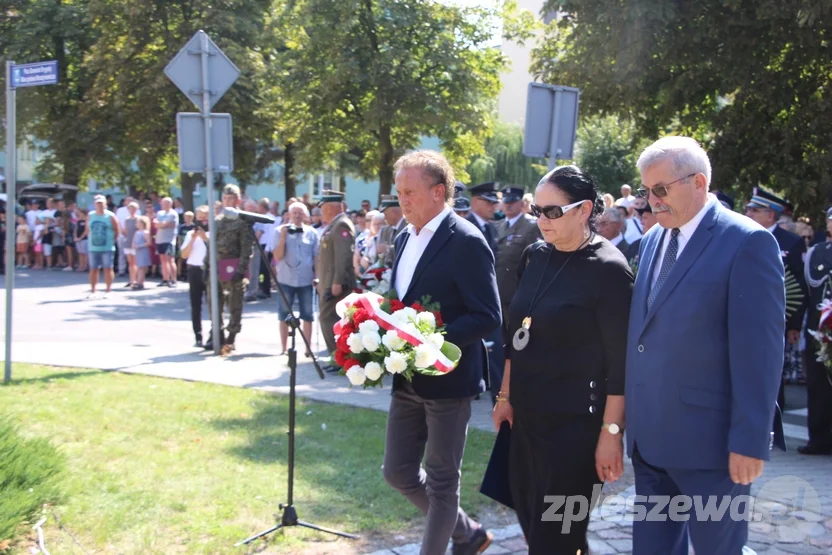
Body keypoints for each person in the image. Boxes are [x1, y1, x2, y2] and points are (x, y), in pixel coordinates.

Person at [625, 136, 784, 554]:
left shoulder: (747, 241)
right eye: (646, 191)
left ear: (697, 182)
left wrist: (750, 441)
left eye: (661, 189)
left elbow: (760, 353)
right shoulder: (653, 240)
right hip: (651, 442)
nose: (651, 201)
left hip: (712, 448)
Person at [492, 166, 632, 553]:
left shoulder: (609, 270)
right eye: (537, 210)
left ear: (584, 209)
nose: (541, 220)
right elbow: (515, 334)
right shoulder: (535, 255)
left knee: (553, 540)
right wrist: (505, 396)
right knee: (542, 530)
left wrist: (611, 434)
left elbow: (619, 365)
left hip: (575, 432)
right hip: (526, 421)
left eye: (552, 211)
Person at [382, 150, 501, 555]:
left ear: (438, 192)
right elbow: (400, 303)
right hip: (407, 378)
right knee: (397, 472)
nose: (403, 200)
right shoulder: (403, 236)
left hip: (450, 380)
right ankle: (467, 532)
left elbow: (487, 316)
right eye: (399, 192)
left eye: (410, 191)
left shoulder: (466, 240)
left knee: (441, 480)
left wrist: (430, 339)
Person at [744, 187, 808, 412]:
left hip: (775, 319)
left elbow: (799, 287)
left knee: (772, 367)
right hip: (744, 315)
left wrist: (794, 324)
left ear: (770, 214)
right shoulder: (741, 236)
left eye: (754, 210)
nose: (749, 214)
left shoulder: (791, 242)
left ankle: (773, 412)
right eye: (748, 209)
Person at [798, 208, 832, 455]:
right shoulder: (816, 252)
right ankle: (818, 438)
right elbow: (807, 294)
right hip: (819, 330)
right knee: (818, 386)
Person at [204, 184, 253, 352]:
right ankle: (216, 334)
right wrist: (206, 266)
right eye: (225, 198)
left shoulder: (242, 221)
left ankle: (230, 338)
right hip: (216, 269)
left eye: (231, 198)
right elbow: (210, 245)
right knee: (214, 304)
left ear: (238, 200)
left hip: (233, 270)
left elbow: (247, 249)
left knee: (234, 306)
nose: (228, 201)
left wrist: (240, 270)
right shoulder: (217, 220)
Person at [315, 190, 355, 370]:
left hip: (336, 284)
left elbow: (343, 256)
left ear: (331, 207)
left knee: (328, 319)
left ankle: (338, 358)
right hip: (328, 283)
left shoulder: (341, 225)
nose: (321, 211)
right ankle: (336, 358)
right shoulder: (334, 224)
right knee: (329, 320)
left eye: (323, 207)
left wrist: (337, 281)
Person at [273, 201, 319, 355]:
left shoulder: (312, 233)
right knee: (284, 314)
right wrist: (283, 237)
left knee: (308, 315)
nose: (297, 216)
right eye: (294, 213)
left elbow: (316, 257)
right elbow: (277, 256)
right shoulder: (279, 231)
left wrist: (317, 276)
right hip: (285, 279)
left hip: (306, 279)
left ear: (305, 215)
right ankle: (284, 348)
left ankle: (308, 348)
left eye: (300, 213)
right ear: (289, 215)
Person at [180, 206, 210, 346]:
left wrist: (204, 238)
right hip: (194, 271)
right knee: (195, 305)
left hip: (209, 271)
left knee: (213, 305)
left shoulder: (213, 233)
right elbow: (184, 255)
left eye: (205, 218)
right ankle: (198, 335)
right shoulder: (190, 234)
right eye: (199, 218)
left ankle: (214, 335)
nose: (202, 221)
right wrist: (192, 240)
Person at [87, 194, 120, 297]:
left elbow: (117, 230)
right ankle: (93, 291)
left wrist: (112, 241)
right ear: (94, 204)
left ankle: (108, 290)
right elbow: (87, 229)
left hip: (107, 247)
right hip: (93, 247)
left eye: (101, 203)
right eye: (98, 203)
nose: (100, 205)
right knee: (93, 269)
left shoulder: (110, 216)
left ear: (105, 204)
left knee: (108, 268)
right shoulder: (91, 215)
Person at [154, 197, 179, 287]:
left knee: (170, 260)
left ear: (169, 204)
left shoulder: (173, 213)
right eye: (162, 203)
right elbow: (156, 224)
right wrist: (162, 224)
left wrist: (162, 224)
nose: (162, 205)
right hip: (160, 239)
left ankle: (173, 280)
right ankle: (165, 279)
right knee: (163, 261)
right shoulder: (160, 213)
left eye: (164, 203)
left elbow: (166, 224)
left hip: (169, 240)